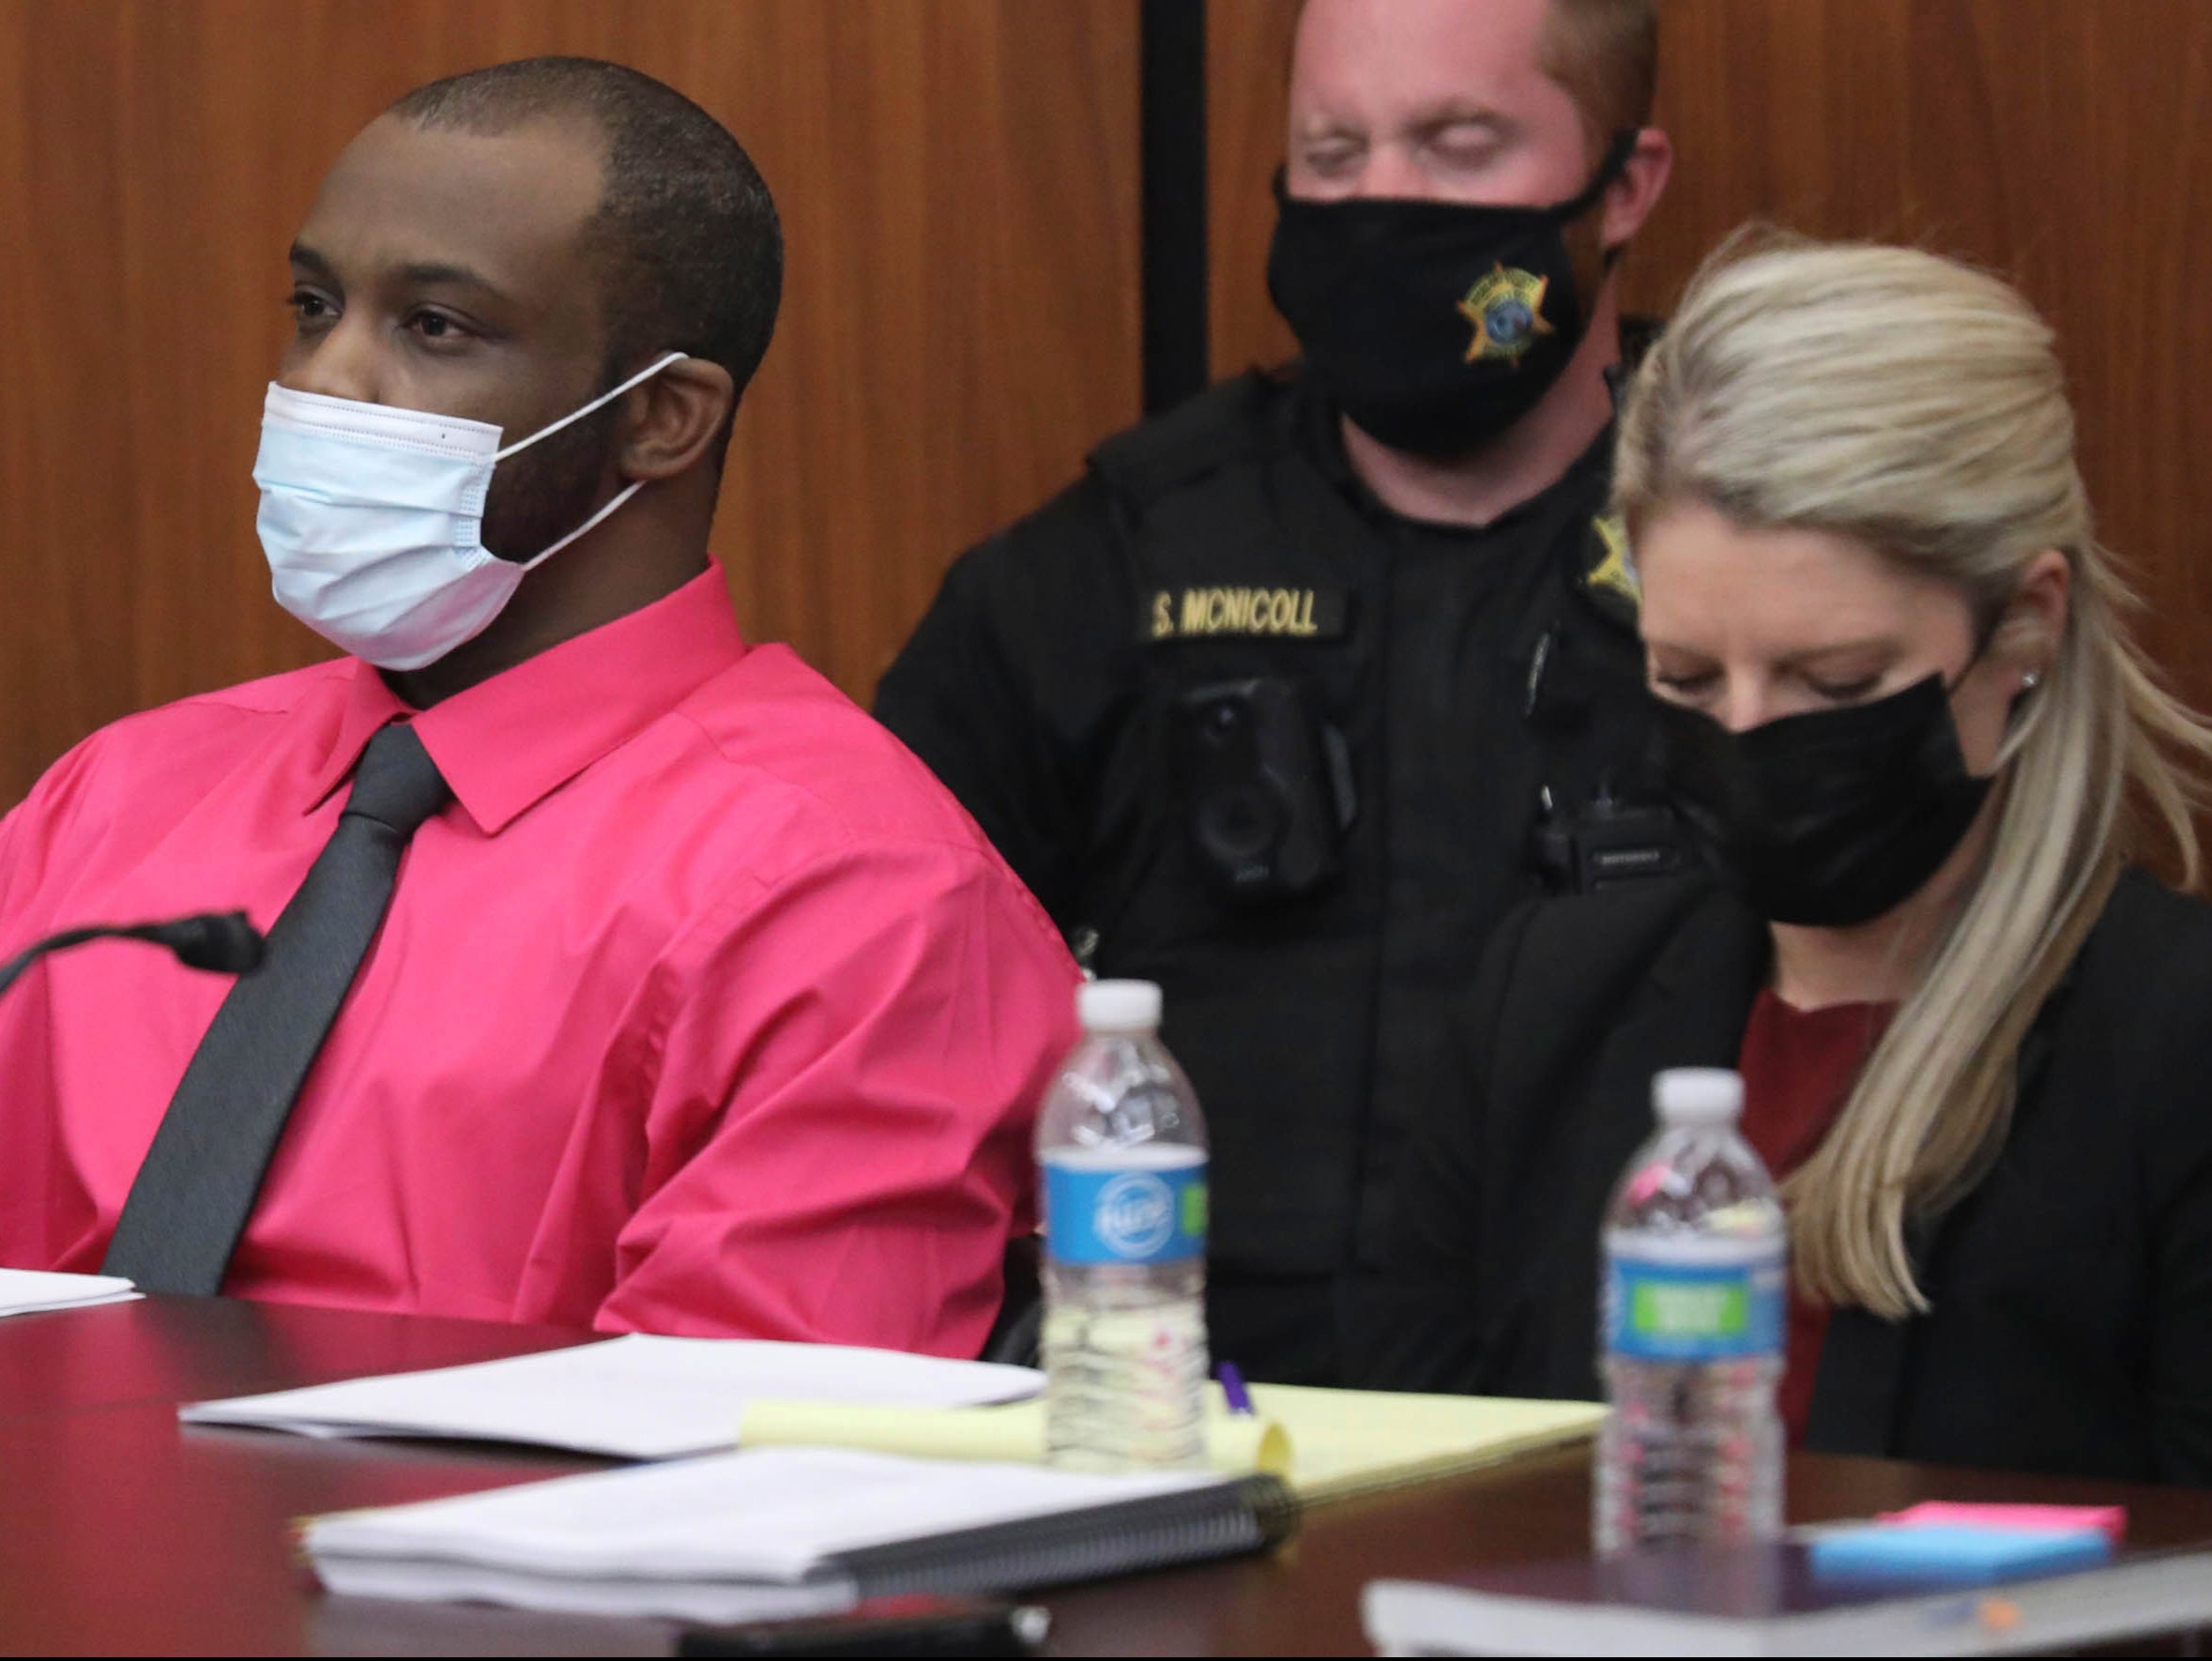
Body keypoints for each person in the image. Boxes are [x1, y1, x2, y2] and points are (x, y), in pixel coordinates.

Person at [0, 58, 1080, 1358]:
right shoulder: (115, 797)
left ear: (662, 419)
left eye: (433, 326)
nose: (327, 379)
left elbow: (730, 1472)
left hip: (450, 1555)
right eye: (313, 304)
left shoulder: (861, 898)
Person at [876, 0, 1676, 1384]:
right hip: (1189, 1407)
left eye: (1455, 146)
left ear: (1624, 185)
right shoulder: (1120, 555)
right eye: (1331, 151)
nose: (1380, 204)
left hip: (1644, 1393)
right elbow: (871, 986)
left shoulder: (1753, 544)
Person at [1360, 235, 2212, 1485]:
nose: (1747, 734)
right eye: (1685, 676)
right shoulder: (1544, 1000)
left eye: (1833, 680)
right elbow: (1403, 1493)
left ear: (2025, 623)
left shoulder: (2171, 1041)